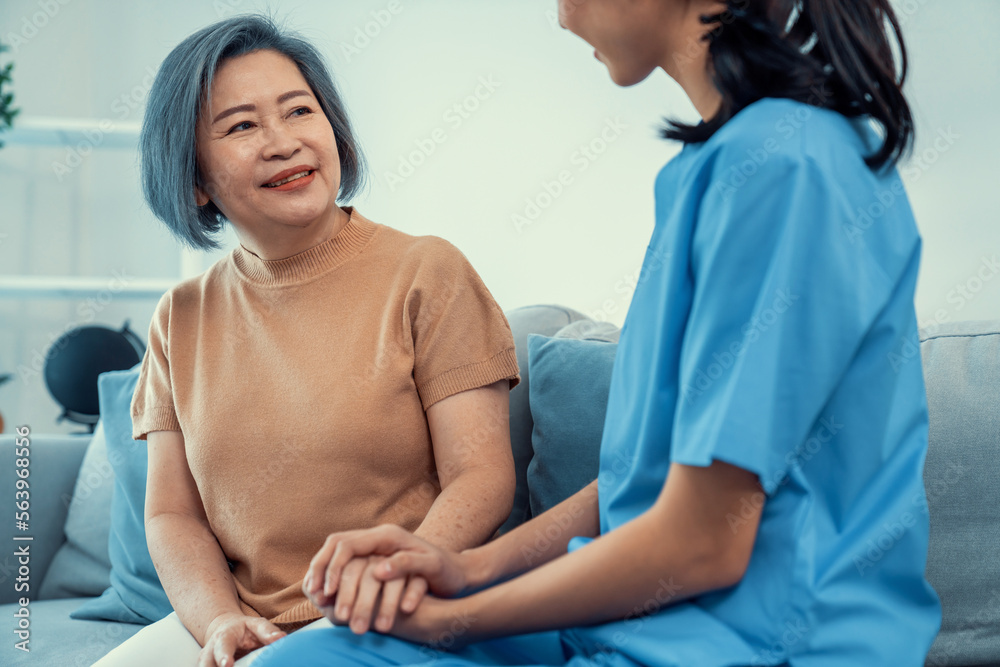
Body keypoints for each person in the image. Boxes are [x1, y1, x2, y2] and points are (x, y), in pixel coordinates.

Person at [252, 0, 943, 665]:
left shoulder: (784, 169)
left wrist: (450, 618)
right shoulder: (716, 169)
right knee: (317, 651)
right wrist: (464, 567)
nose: (563, 14)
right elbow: (643, 480)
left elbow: (705, 539)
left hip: (758, 644)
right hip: (653, 625)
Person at [93, 14, 521, 667]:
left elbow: (480, 476)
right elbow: (172, 517)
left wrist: (389, 582)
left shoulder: (427, 272)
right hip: (244, 619)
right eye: (241, 125)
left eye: (299, 111)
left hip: (397, 608)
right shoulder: (179, 315)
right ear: (196, 179)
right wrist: (220, 622)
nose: (282, 141)